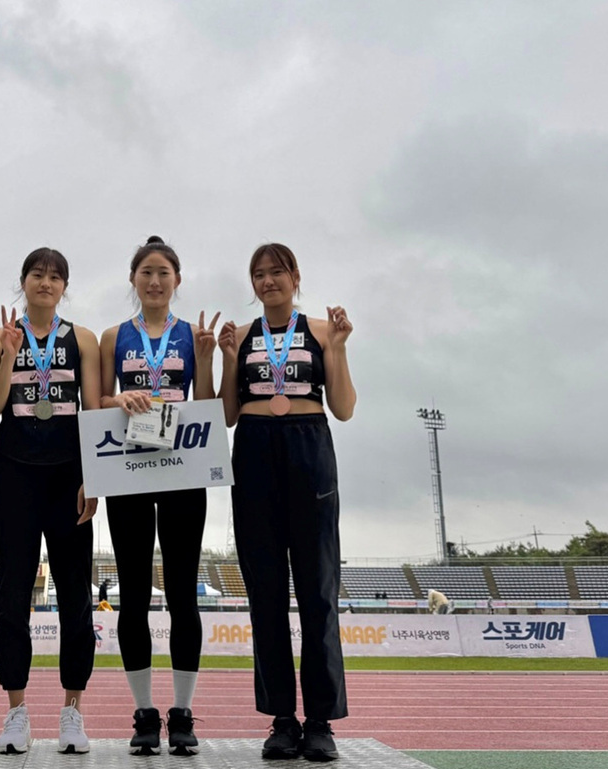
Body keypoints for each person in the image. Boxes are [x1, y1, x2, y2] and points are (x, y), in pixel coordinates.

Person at [218, 242, 356, 762]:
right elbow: (229, 414)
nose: (268, 281)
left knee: (318, 592)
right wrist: (231, 360)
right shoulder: (247, 336)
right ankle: (281, 718)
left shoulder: (322, 330)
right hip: (253, 450)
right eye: (258, 274)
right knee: (266, 595)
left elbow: (342, 408)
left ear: (296, 276)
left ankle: (320, 720)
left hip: (309, 444)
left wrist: (338, 349)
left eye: (276, 272)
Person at [99, 235, 220, 756]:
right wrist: (118, 397)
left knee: (182, 595)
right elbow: (97, 398)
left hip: (180, 467)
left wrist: (211, 357)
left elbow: (209, 404)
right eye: (145, 272)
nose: (154, 281)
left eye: (163, 273)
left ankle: (184, 713)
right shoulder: (113, 335)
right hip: (127, 469)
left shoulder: (193, 335)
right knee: (133, 594)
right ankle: (145, 712)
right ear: (133, 280)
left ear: (176, 280)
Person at [0, 248, 100, 755]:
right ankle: (16, 713)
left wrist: (95, 479)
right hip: (15, 477)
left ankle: (73, 712)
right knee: (12, 595)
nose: (45, 283)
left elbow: (93, 412)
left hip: (69, 479)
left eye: (55, 277)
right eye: (37, 274)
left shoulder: (84, 339)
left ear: (64, 287)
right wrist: (7, 356)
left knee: (75, 595)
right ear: (22, 282)